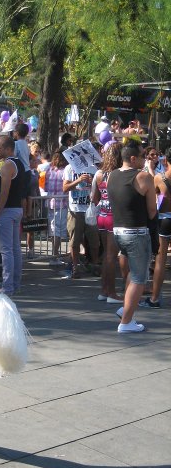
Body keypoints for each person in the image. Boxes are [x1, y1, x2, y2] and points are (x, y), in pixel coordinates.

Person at [107, 141, 157, 333]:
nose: (146, 159)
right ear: (134, 158)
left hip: (119, 231)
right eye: (144, 156)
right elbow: (152, 210)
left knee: (132, 274)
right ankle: (126, 322)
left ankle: (125, 310)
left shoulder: (112, 175)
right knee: (139, 278)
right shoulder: (143, 177)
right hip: (136, 232)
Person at [0, 135, 24, 295]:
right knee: (14, 248)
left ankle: (8, 285)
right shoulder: (17, 164)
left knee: (7, 250)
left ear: (8, 149)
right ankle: (14, 283)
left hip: (8, 210)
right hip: (16, 209)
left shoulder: (7, 166)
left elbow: (3, 193)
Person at [91, 142, 123, 303]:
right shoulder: (118, 174)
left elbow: (94, 198)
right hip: (114, 217)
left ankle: (104, 290)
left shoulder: (99, 174)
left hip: (102, 216)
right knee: (111, 256)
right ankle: (111, 293)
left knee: (106, 255)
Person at [63, 159, 100, 279]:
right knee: (74, 241)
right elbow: (65, 188)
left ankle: (94, 265)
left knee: (94, 241)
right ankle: (75, 267)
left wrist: (91, 183)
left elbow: (99, 190)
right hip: (75, 210)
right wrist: (78, 180)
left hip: (90, 210)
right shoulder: (70, 168)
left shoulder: (94, 168)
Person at [144, 147, 171, 308]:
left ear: (165, 160)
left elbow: (154, 197)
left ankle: (154, 298)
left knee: (161, 259)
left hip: (165, 219)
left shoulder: (160, 178)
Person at [45, 149, 68, 265]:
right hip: (62, 202)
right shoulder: (65, 171)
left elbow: (45, 187)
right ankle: (55, 255)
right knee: (58, 230)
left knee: (53, 229)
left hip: (50, 202)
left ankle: (54, 254)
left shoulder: (49, 170)